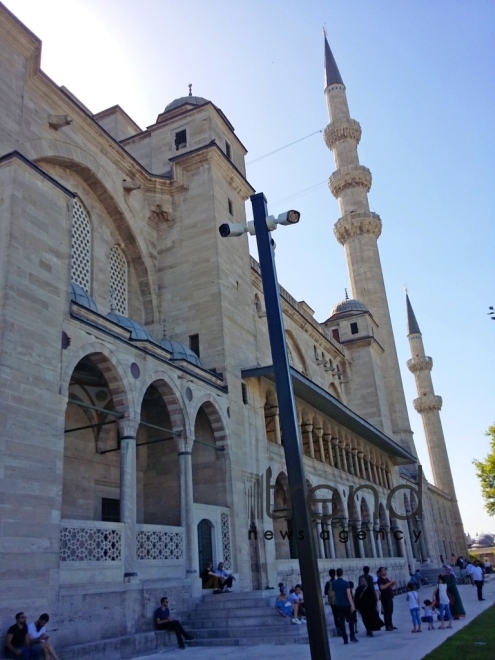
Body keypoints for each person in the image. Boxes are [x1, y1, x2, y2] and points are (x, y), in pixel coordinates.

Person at [331, 568, 358, 644]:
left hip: (339, 605)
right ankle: (352, 637)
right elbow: (349, 595)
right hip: (346, 604)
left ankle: (345, 638)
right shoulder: (346, 583)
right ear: (342, 573)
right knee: (350, 621)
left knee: (342, 622)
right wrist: (352, 605)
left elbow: (333, 594)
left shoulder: (334, 583)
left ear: (337, 574)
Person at [377, 567, 397, 631]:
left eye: (385, 570)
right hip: (385, 597)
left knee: (390, 611)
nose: (385, 571)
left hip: (390, 596)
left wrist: (392, 584)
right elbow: (382, 587)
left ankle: (391, 624)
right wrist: (389, 583)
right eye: (383, 570)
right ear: (380, 572)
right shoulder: (380, 579)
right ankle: (387, 626)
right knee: (387, 612)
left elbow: (389, 585)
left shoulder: (386, 578)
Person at [324, 569, 340, 635]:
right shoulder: (337, 581)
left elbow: (325, 592)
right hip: (338, 599)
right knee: (340, 614)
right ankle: (341, 627)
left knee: (335, 615)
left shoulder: (328, 583)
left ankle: (338, 628)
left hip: (331, 600)